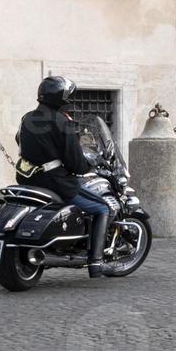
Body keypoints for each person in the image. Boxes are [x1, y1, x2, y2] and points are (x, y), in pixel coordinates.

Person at [15, 76, 113, 278]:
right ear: (61, 97)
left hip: (26, 179)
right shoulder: (62, 121)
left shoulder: (27, 118)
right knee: (102, 207)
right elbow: (75, 163)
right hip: (55, 182)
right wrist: (89, 164)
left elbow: (19, 141)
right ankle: (96, 263)